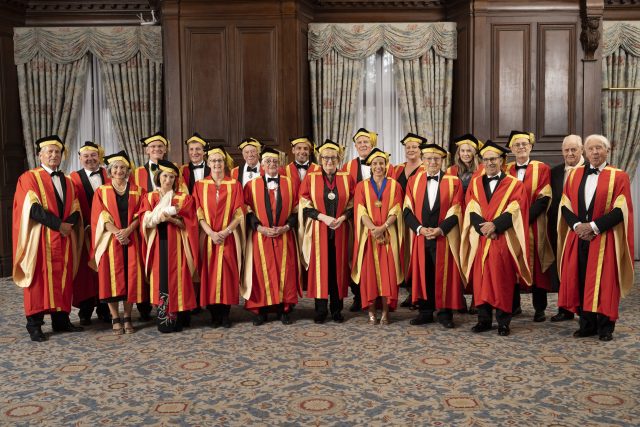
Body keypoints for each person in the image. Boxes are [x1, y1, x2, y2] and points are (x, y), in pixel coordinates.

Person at [558, 134, 634, 341]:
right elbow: (565, 205)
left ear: (607, 151)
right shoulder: (574, 175)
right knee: (581, 279)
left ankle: (605, 327)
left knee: (605, 283)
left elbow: (621, 210)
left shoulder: (619, 176)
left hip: (604, 238)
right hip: (578, 237)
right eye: (590, 148)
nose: (595, 152)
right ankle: (587, 324)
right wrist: (577, 226)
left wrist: (593, 226)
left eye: (599, 148)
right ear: (585, 152)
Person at [12, 135, 83, 341]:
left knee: (63, 277)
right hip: (40, 237)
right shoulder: (29, 177)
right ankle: (34, 325)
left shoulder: (68, 180)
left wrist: (68, 224)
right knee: (38, 279)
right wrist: (59, 225)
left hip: (64, 237)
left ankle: (61, 320)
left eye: (57, 152)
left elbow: (75, 207)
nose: (53, 155)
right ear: (40, 155)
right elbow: (31, 208)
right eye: (49, 151)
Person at [460, 141, 531, 337]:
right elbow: (471, 207)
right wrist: (483, 229)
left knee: (502, 280)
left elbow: (516, 209)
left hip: (503, 238)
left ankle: (503, 322)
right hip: (482, 238)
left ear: (502, 160)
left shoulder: (514, 184)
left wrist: (495, 226)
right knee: (481, 280)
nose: (490, 163)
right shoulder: (475, 183)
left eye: (493, 159)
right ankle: (483, 320)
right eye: (486, 159)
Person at [404, 143, 465, 329]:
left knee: (444, 275)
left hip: (444, 237)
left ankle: (445, 313)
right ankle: (425, 312)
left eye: (436, 159)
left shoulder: (454, 181)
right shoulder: (413, 181)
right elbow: (407, 210)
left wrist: (441, 229)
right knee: (425, 274)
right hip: (421, 236)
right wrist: (419, 229)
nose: (432, 162)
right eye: (429, 158)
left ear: (442, 161)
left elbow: (457, 209)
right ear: (423, 160)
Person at [243, 147, 301, 325]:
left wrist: (286, 227)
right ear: (262, 165)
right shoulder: (251, 185)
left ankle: (284, 309)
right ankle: (261, 311)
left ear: (279, 164)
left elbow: (297, 210)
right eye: (268, 161)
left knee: (285, 273)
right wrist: (259, 228)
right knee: (261, 273)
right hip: (261, 237)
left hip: (284, 235)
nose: (272, 164)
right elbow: (247, 211)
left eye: (275, 161)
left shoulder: (290, 184)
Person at [298, 139, 354, 323]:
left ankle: (337, 310)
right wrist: (323, 217)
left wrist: (343, 218)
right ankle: (320, 310)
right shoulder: (311, 178)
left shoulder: (346, 178)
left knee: (338, 270)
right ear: (320, 159)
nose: (329, 161)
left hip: (340, 230)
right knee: (320, 270)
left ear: (339, 159)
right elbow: (304, 204)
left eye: (333, 158)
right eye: (325, 158)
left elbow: (354, 203)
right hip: (319, 231)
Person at [140, 160, 198, 333]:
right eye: (165, 176)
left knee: (178, 278)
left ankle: (181, 318)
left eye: (172, 177)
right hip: (158, 243)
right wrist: (159, 217)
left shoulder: (183, 198)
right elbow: (144, 221)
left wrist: (171, 218)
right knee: (161, 278)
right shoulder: (150, 197)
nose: (168, 180)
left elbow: (188, 224)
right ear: (159, 177)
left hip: (177, 244)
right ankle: (164, 319)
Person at [91, 151, 146, 334]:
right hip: (110, 240)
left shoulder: (138, 190)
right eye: (115, 167)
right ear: (110, 170)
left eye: (123, 167)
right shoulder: (102, 191)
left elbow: (142, 214)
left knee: (131, 278)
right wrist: (118, 233)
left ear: (128, 170)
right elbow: (100, 216)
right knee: (110, 279)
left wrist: (128, 230)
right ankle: (115, 317)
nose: (119, 170)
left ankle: (128, 316)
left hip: (132, 238)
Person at [342, 128, 394, 312]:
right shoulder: (347, 167)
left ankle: (382, 299)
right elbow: (345, 194)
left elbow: (392, 193)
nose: (363, 145)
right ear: (355, 146)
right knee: (357, 258)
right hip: (356, 221)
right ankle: (359, 296)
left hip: (383, 222)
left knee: (382, 260)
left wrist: (382, 225)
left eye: (366, 142)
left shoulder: (387, 165)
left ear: (372, 144)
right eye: (360, 142)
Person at [193, 145, 245, 328]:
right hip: (208, 238)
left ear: (225, 163)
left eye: (220, 160)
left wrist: (226, 231)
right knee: (209, 273)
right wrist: (210, 233)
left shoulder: (234, 185)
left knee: (227, 274)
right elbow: (198, 212)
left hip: (227, 237)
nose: (217, 163)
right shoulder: (200, 185)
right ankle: (213, 314)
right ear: (208, 163)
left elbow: (239, 212)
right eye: (213, 160)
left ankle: (225, 314)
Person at [351, 148, 404, 325]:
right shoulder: (362, 186)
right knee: (370, 275)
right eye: (375, 163)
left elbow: (397, 209)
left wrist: (383, 227)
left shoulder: (395, 185)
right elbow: (360, 210)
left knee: (388, 273)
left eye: (381, 163)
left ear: (386, 165)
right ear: (370, 166)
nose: (378, 166)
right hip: (369, 236)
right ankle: (371, 311)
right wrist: (374, 229)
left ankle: (386, 311)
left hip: (389, 235)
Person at [505, 131, 554, 322]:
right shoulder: (506, 168)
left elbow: (544, 197)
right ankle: (514, 305)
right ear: (511, 149)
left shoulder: (542, 168)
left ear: (531, 146)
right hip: (511, 225)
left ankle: (539, 308)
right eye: (517, 145)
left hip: (535, 225)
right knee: (512, 263)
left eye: (524, 144)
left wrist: (524, 219)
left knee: (537, 267)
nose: (521, 147)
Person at [69, 141, 111, 325]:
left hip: (106, 232)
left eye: (93, 155)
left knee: (105, 270)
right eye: (86, 156)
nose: (90, 159)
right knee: (85, 273)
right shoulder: (72, 178)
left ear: (99, 156)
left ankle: (105, 309)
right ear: (79, 158)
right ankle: (85, 311)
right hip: (84, 232)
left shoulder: (109, 174)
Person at [131, 131, 170, 320]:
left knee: (165, 265)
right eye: (153, 147)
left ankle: (168, 305)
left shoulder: (172, 169)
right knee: (144, 264)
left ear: (165, 150)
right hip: (145, 226)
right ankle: (144, 307)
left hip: (168, 224)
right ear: (147, 150)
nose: (156, 149)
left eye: (160, 147)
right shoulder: (137, 172)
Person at [446, 133, 485, 314]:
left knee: (475, 256)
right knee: (456, 256)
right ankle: (458, 298)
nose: (466, 154)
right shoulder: (451, 171)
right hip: (456, 218)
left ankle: (477, 299)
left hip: (475, 217)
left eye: (469, 150)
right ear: (458, 153)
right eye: (462, 150)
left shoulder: (483, 170)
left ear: (475, 152)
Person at [548, 135, 584, 322]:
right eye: (566, 150)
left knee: (582, 271)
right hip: (559, 229)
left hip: (584, 230)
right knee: (562, 269)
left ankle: (585, 311)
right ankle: (565, 308)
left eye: (574, 149)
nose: (570, 153)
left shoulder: (592, 170)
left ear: (581, 150)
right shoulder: (554, 172)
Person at [393, 133, 427, 308]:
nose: (411, 150)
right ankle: (410, 291)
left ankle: (418, 293)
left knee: (416, 255)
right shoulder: (397, 169)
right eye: (408, 147)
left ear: (421, 150)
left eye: (414, 147)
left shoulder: (426, 168)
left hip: (417, 218)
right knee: (403, 254)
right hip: (398, 218)